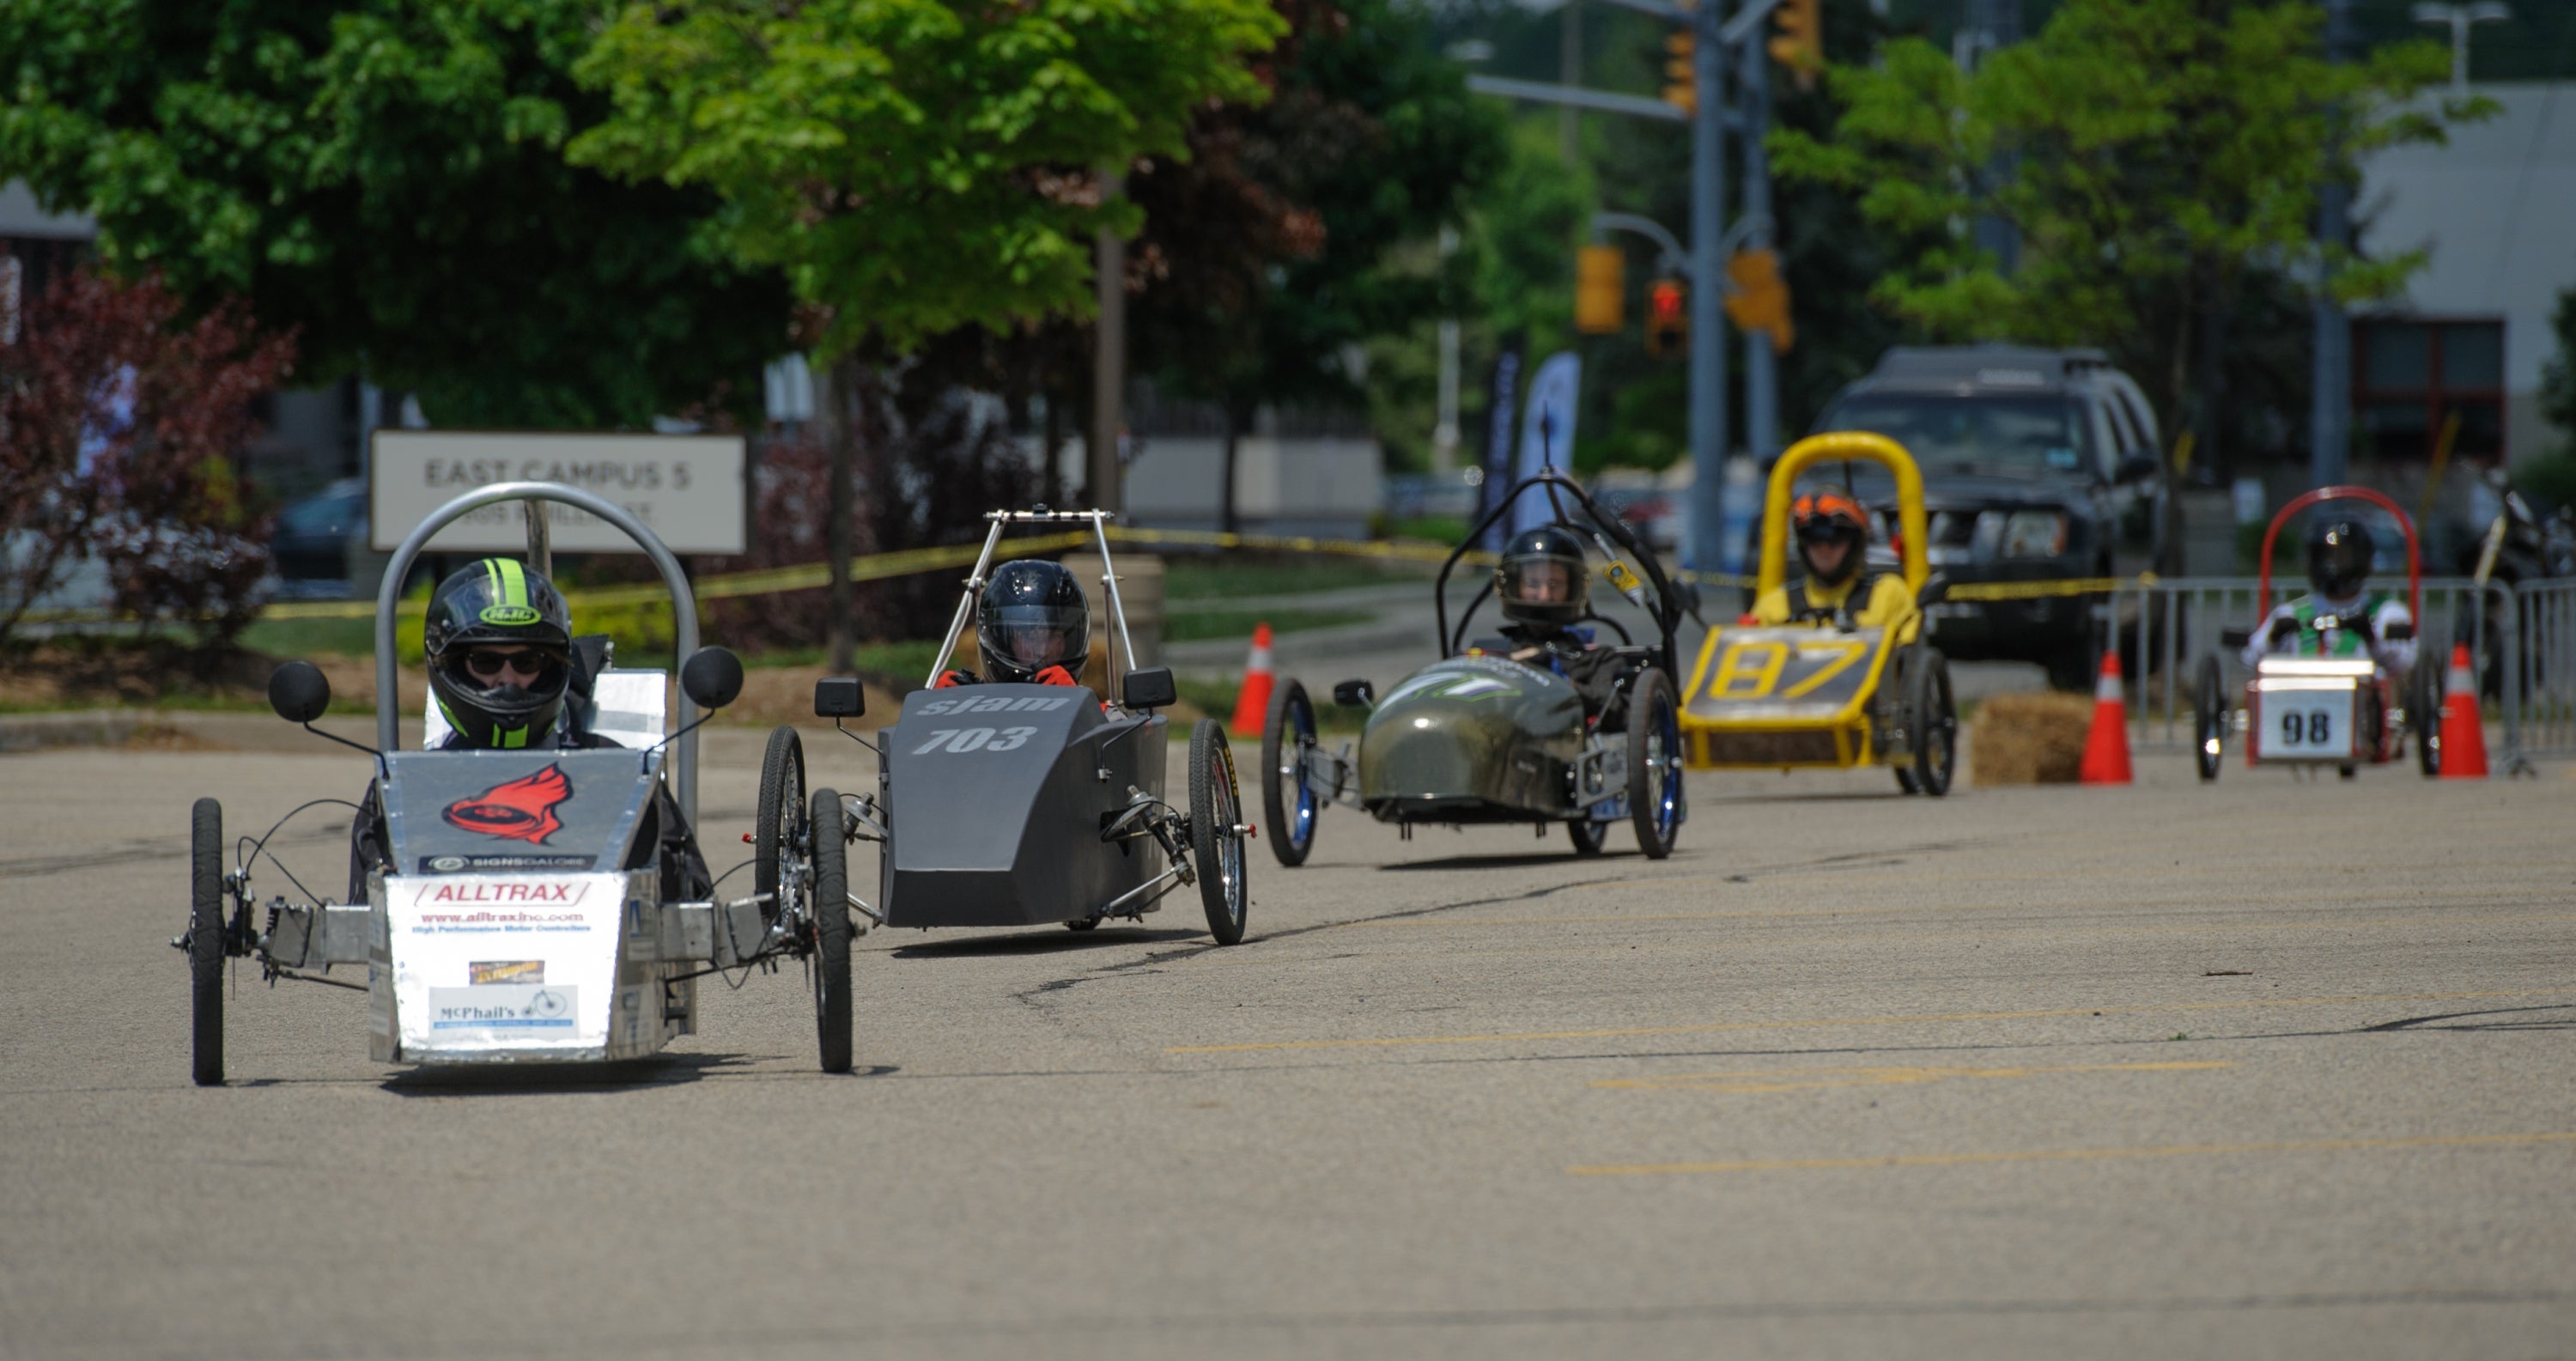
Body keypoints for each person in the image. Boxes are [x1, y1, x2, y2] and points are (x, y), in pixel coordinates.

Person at [347, 557, 708, 901]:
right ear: (453, 665)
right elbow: (364, 925)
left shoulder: (617, 768)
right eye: (486, 661)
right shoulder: (406, 789)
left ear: (551, 664)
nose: (508, 680)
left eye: (526, 662)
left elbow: (685, 900)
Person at [2240, 518, 2416, 676]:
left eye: (2342, 558)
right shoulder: (2291, 613)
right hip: (2300, 698)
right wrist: (2272, 639)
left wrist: (2371, 639)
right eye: (2326, 558)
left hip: (2365, 701)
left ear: (2363, 560)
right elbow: (2249, 659)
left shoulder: (2386, 612)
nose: (2333, 566)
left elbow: (2404, 664)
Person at [1481, 526, 1625, 714]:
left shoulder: (1597, 659)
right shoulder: (1491, 657)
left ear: (1572, 588)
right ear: (1515, 586)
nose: (1544, 596)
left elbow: (1613, 707)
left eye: (1554, 584)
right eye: (1533, 584)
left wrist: (1562, 686)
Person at [1746, 490, 1915, 634]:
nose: (1824, 548)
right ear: (1802, 544)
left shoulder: (1887, 595)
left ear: (1855, 543)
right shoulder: (1775, 605)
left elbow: (1911, 660)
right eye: (1814, 538)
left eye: (1836, 538)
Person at [936, 559, 1091, 689]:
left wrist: (1077, 705)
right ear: (1004, 641)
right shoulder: (968, 705)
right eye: (1028, 635)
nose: (1041, 651)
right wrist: (940, 710)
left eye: (1052, 636)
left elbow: (1109, 721)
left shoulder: (1098, 715)